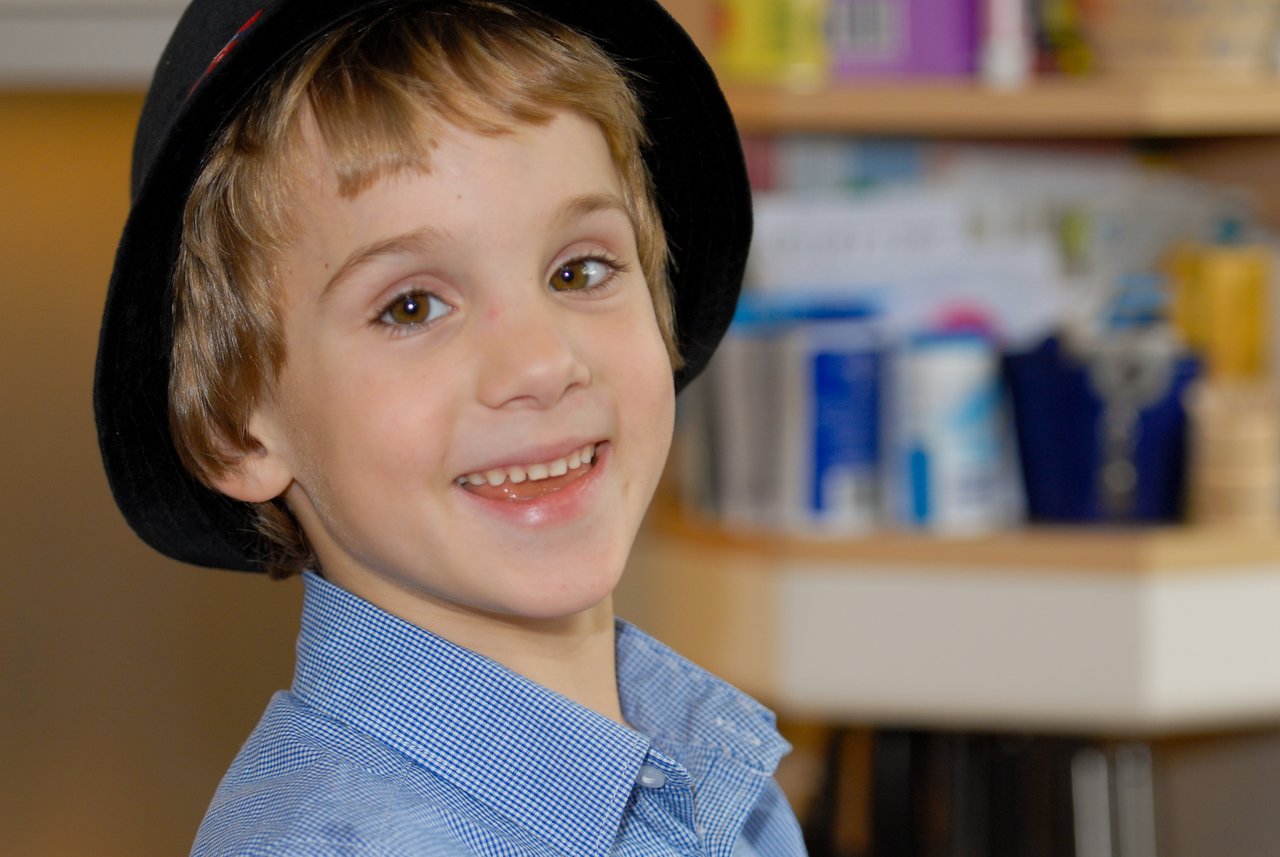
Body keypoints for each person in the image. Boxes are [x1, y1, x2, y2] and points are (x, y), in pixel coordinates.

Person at [95, 0, 806, 854]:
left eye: (579, 269)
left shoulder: (729, 788)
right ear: (237, 431)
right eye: (413, 305)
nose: (542, 363)